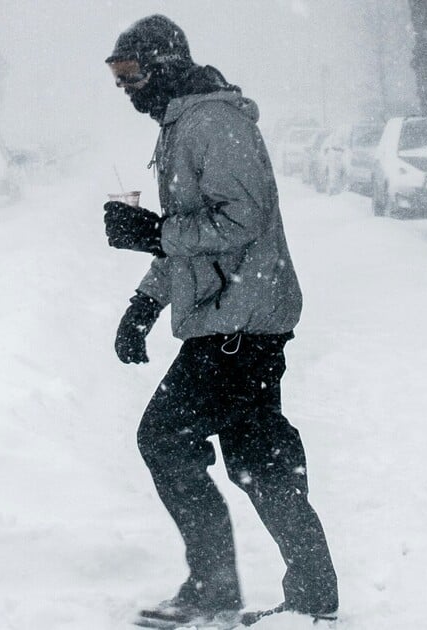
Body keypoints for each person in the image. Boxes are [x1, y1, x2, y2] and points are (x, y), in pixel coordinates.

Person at [101, 14, 339, 628]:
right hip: (235, 318)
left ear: (165, 66)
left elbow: (242, 222)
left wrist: (153, 232)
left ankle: (214, 588)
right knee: (259, 456)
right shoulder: (182, 126)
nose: (125, 88)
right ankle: (312, 595)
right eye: (116, 76)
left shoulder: (213, 122)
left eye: (131, 74)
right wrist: (143, 304)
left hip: (239, 321)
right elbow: (191, 240)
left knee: (164, 438)